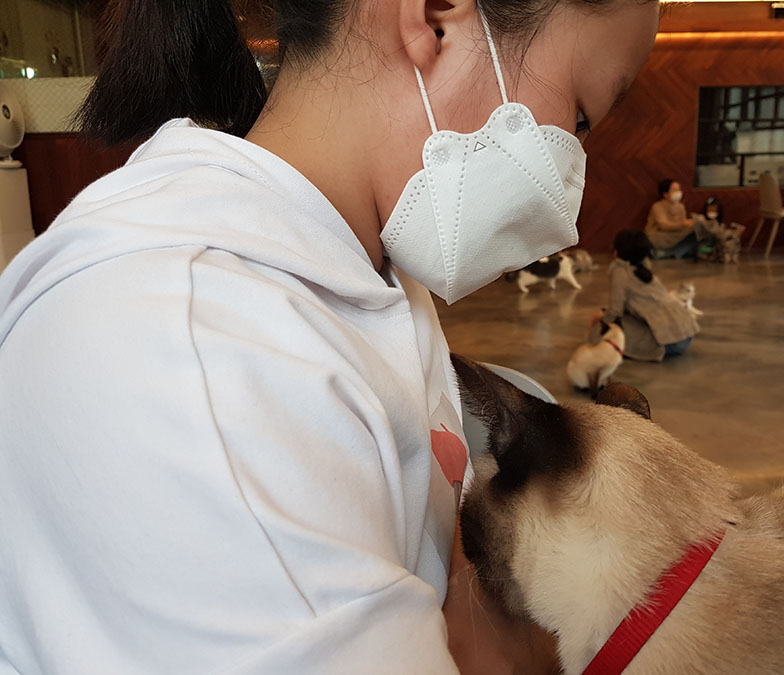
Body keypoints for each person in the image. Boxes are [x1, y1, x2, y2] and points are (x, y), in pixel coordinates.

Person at [0, 0, 659, 673]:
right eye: (580, 117)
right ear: (436, 18)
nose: (571, 185)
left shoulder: (370, 267)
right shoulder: (197, 355)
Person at [594, 229, 699, 362]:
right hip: (687, 335)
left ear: (617, 250)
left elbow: (615, 311)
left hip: (670, 344)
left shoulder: (620, 272)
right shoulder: (644, 265)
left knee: (601, 330)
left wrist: (601, 320)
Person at [645, 178, 698, 259]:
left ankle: (673, 252)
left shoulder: (680, 206)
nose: (678, 192)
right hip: (659, 235)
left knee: (697, 230)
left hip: (675, 234)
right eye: (675, 190)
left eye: (679, 189)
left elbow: (683, 224)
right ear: (665, 194)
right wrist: (684, 224)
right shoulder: (658, 206)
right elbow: (663, 226)